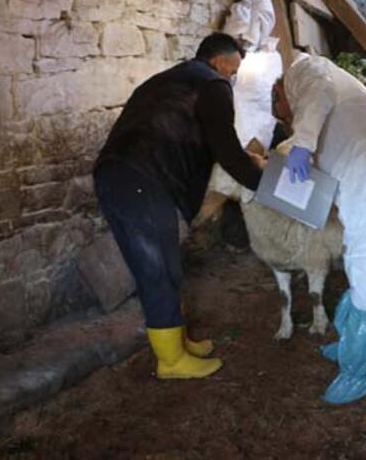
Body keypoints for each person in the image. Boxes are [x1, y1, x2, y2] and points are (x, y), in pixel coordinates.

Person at [93, 33, 264, 379]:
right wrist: (267, 184)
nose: (232, 78)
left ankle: (177, 340)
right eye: (233, 71)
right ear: (219, 61)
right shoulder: (214, 85)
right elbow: (227, 152)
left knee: (164, 263)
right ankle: (171, 361)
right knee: (157, 268)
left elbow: (211, 142)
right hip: (141, 177)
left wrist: (241, 157)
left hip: (122, 173)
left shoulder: (174, 79)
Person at [274, 54, 366, 404]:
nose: (281, 115)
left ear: (278, 90)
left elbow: (318, 92)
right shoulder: (325, 88)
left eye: (278, 109)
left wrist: (302, 143)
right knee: (362, 257)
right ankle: (358, 343)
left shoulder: (304, 69)